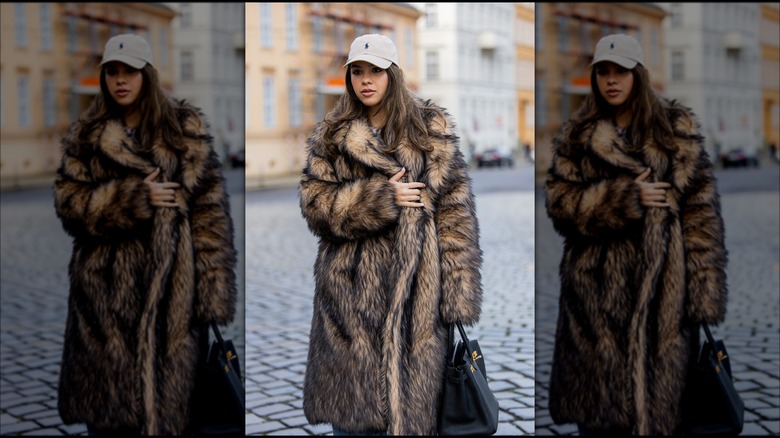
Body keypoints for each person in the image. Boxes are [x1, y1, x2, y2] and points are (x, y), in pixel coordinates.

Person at [298, 34, 484, 435]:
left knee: (414, 415)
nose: (366, 81)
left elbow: (456, 216)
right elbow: (315, 206)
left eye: (376, 71)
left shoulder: (429, 130)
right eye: (358, 72)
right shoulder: (332, 134)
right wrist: (382, 197)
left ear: (392, 74)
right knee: (355, 419)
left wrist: (457, 295)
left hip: (418, 299)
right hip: (350, 299)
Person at [54, 34, 238, 436]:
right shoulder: (87, 135)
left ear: (147, 75)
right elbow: (69, 203)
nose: (121, 81)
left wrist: (211, 294)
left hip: (173, 298)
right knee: (111, 415)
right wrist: (135, 197)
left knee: (171, 413)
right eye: (113, 72)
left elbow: (211, 216)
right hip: (104, 300)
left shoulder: (182, 131)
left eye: (130, 72)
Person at [545, 34, 729, 436]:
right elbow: (559, 203)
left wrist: (702, 294)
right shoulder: (578, 134)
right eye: (604, 72)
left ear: (638, 75)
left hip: (664, 294)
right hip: (595, 296)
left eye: (621, 72)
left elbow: (702, 217)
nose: (612, 81)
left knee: (661, 410)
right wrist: (626, 197)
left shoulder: (674, 131)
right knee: (602, 415)